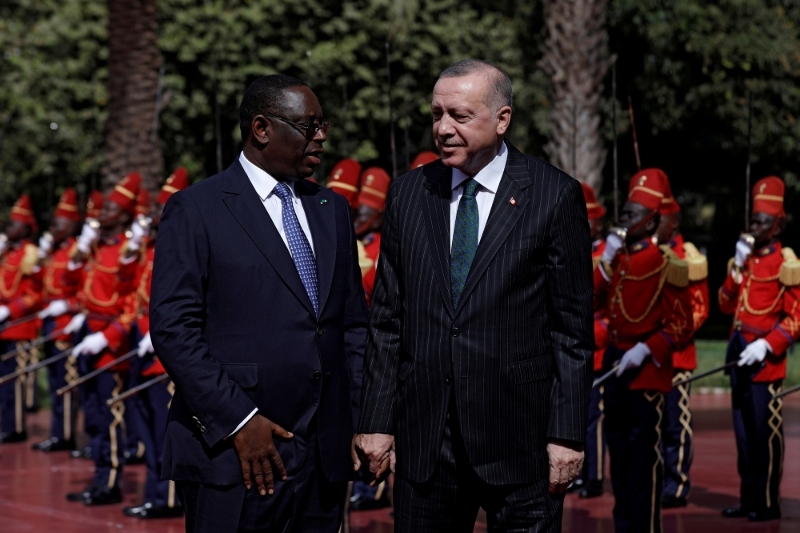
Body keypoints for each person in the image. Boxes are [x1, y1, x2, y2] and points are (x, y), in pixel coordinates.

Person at [354, 59, 594, 532]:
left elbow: (571, 330)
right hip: (426, 445)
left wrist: (567, 435)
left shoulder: (553, 195)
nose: (443, 128)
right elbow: (387, 319)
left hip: (521, 443)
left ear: (502, 120)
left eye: (460, 116)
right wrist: (377, 421)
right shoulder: (407, 195)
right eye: (437, 114)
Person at [150, 74, 368, 533]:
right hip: (236, 456)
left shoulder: (332, 210)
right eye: (308, 126)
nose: (321, 136)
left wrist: (359, 417)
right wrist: (239, 420)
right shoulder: (197, 208)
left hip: (322, 459)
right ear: (262, 128)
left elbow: (350, 327)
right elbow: (174, 330)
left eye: (322, 124)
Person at [594, 168, 693, 533]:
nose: (623, 220)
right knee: (618, 459)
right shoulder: (616, 261)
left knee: (642, 462)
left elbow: (682, 324)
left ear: (651, 222)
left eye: (632, 215)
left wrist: (647, 349)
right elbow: (591, 299)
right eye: (623, 213)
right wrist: (605, 262)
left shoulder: (667, 264)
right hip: (616, 364)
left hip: (646, 370)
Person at [718, 176, 800, 522]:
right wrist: (736, 269)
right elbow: (725, 305)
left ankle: (767, 502)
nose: (754, 227)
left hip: (764, 362)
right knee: (743, 437)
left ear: (777, 225)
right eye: (752, 220)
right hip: (739, 357)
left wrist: (768, 344)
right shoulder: (745, 260)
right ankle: (748, 498)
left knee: (764, 436)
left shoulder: (787, 263)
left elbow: (796, 317)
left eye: (762, 222)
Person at [63, 172, 142, 505]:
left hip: (111, 343)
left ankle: (109, 482)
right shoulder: (97, 247)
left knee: (110, 416)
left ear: (124, 216)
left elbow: (131, 305)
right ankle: (98, 478)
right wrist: (78, 251)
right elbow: (72, 284)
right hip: (88, 331)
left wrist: (106, 337)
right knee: (92, 414)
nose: (102, 211)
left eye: (110, 207)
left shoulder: (129, 252)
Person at [122, 167, 189, 519]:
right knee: (147, 427)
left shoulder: (185, 245)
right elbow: (126, 285)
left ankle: (167, 498)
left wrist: (159, 330)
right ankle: (155, 493)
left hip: (167, 355)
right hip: (143, 348)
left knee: (165, 430)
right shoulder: (151, 248)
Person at [654, 177, 709, 509]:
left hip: (676, 357)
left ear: (673, 222)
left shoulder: (686, 256)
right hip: (649, 359)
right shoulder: (646, 252)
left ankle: (677, 483)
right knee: (652, 425)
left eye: (659, 218)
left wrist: (665, 334)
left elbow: (699, 309)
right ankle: (657, 479)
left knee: (677, 425)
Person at [34, 188, 82, 452]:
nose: (52, 228)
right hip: (51, 324)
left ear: (71, 225)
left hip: (67, 326)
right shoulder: (53, 252)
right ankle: (56, 432)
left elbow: (83, 292)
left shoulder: (77, 251)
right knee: (54, 382)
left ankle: (65, 434)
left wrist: (67, 305)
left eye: (57, 223)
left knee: (65, 385)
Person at [570, 181, 608, 499]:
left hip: (597, 347)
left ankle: (593, 477)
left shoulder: (607, 255)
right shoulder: (571, 248)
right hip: (569, 345)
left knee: (593, 417)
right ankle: (576, 474)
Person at [0, 194, 42, 444]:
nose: (8, 229)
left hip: (19, 326)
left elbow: (35, 295)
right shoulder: (6, 253)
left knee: (15, 382)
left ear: (25, 228)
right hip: (3, 327)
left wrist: (11, 310)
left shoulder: (30, 254)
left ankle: (15, 427)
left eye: (14, 224)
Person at [354, 167, 391, 308]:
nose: (356, 221)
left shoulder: (381, 247)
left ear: (376, 219)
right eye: (356, 214)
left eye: (363, 217)